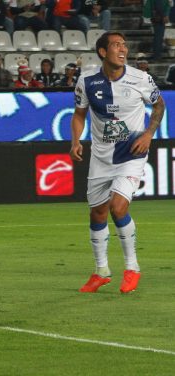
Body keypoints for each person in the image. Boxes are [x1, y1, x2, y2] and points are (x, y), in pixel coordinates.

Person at [70, 32, 165, 294]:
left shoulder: (141, 78)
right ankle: (101, 271)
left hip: (131, 153)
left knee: (118, 206)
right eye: (116, 45)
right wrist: (75, 141)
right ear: (103, 52)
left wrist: (148, 134)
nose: (123, 49)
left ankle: (132, 268)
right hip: (101, 157)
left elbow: (159, 106)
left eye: (124, 45)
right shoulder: (86, 81)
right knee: (97, 213)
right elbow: (79, 114)